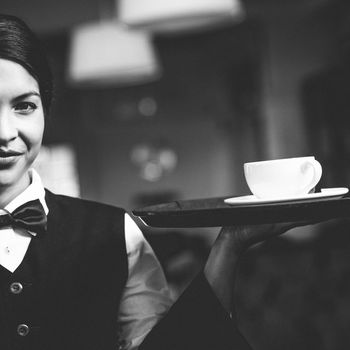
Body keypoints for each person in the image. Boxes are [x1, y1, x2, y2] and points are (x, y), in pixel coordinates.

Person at [0, 13, 312, 350]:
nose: (5, 133)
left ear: (45, 110)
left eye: (25, 106)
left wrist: (230, 246)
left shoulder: (115, 231)